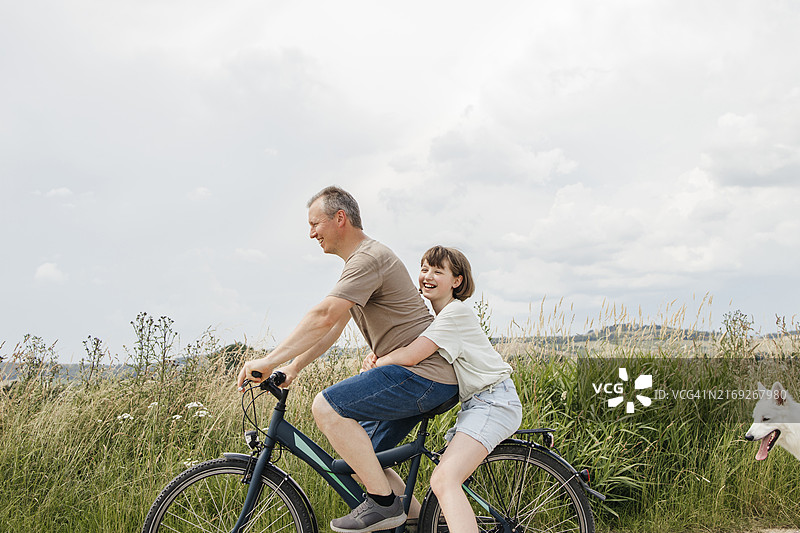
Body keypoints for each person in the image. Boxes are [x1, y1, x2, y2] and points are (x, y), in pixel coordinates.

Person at [237, 186, 458, 533]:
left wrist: (268, 360)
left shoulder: (369, 258)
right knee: (359, 460)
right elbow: (333, 327)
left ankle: (384, 506)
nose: (311, 233)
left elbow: (324, 315)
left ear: (340, 218)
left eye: (315, 224)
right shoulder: (360, 263)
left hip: (422, 375)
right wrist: (292, 366)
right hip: (420, 376)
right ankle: (423, 526)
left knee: (326, 407)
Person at [362, 245, 523, 533]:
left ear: (457, 281)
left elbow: (412, 355)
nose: (428, 276)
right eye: (424, 269)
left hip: (493, 402)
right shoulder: (440, 319)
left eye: (438, 271)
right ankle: (420, 525)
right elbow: (410, 350)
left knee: (444, 479)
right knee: (371, 463)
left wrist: (378, 363)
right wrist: (380, 356)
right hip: (479, 405)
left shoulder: (455, 314)